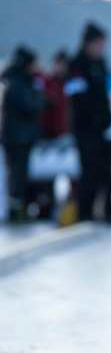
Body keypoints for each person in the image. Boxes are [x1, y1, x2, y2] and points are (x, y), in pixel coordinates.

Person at [66, 22, 111, 221]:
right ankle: (84, 213)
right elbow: (77, 98)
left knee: (105, 171)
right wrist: (93, 118)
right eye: (99, 44)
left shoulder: (101, 64)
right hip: (84, 129)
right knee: (88, 170)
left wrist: (106, 118)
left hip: (102, 129)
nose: (102, 48)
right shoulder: (77, 64)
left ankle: (103, 210)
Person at [1, 46, 45, 222]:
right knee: (17, 176)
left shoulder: (16, 80)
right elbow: (29, 105)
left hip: (19, 136)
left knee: (20, 175)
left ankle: (20, 208)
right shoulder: (17, 82)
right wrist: (39, 98)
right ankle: (16, 211)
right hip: (18, 137)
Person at [40, 50, 70, 140]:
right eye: (58, 64)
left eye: (63, 64)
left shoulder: (71, 84)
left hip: (67, 132)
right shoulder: (48, 83)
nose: (60, 67)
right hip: (49, 132)